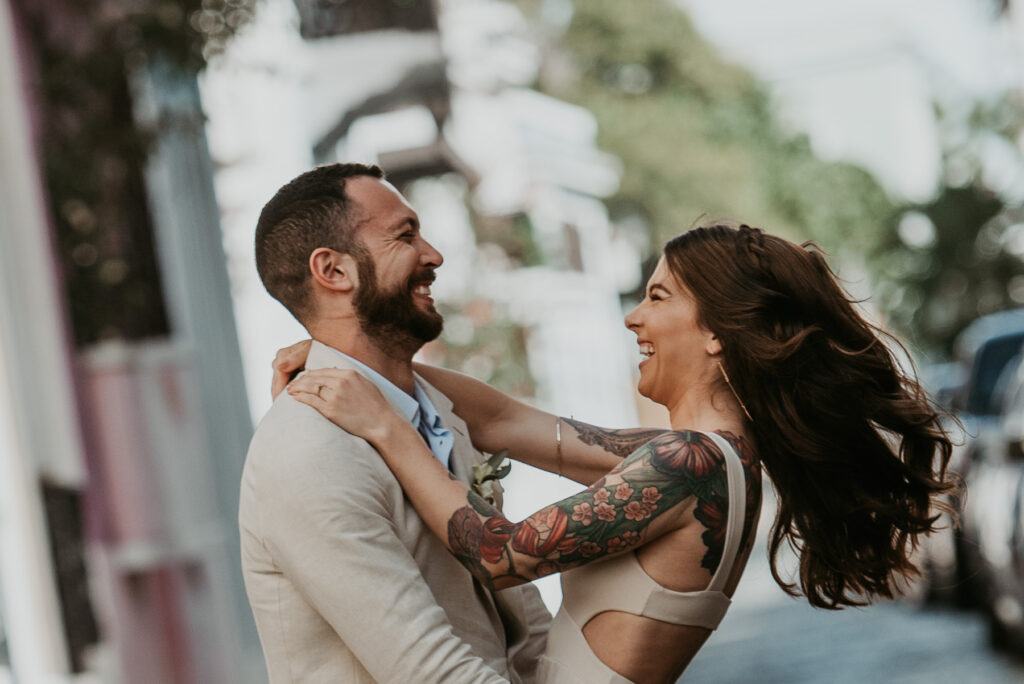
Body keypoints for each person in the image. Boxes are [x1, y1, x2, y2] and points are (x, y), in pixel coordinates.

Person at [276, 221, 956, 683]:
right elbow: (506, 418)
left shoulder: (689, 466)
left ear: (717, 331)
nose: (634, 316)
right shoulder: (714, 458)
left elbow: (499, 553)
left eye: (658, 297)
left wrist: (386, 428)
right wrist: (353, 362)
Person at [239, 162, 552, 684]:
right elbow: (432, 674)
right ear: (334, 271)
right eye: (405, 235)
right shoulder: (308, 452)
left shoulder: (438, 412)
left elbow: (529, 629)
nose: (434, 255)